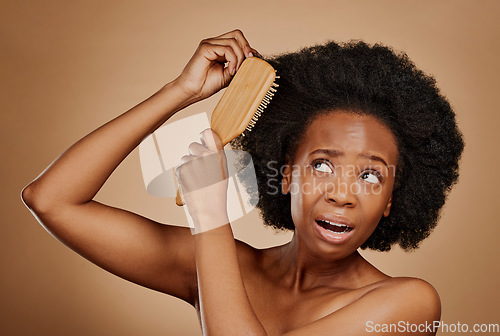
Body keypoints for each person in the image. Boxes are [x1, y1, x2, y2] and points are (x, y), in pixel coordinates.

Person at [21, 29, 464, 335]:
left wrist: (209, 213)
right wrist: (181, 92)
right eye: (322, 166)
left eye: (370, 175)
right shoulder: (224, 267)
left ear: (391, 200)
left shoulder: (408, 305)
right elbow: (52, 199)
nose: (341, 194)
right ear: (287, 174)